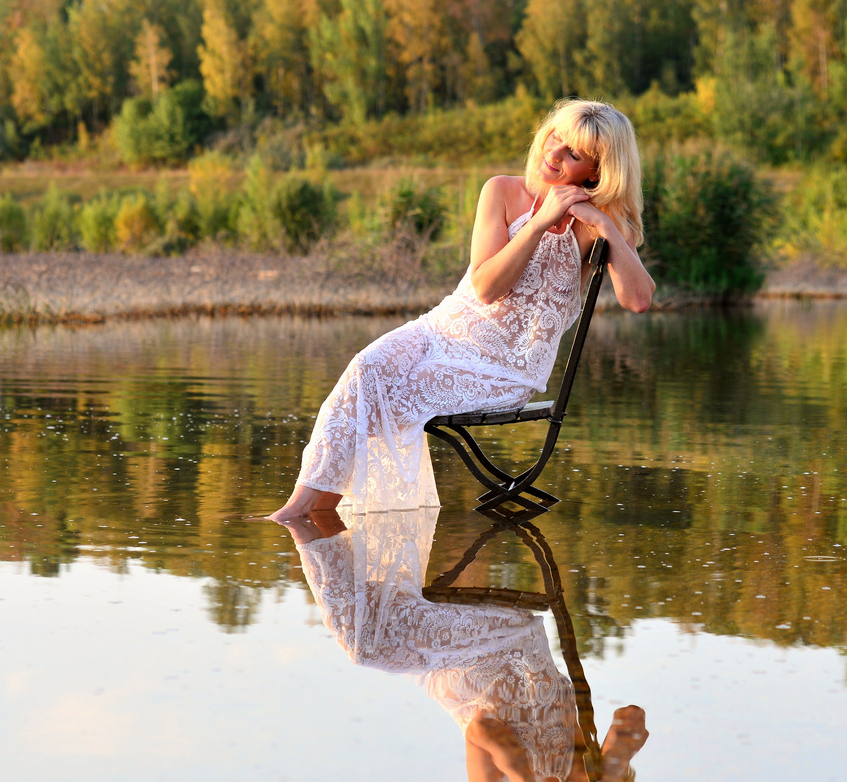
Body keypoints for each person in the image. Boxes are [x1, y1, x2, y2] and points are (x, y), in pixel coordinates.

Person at [269, 99, 654, 521]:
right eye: (556, 136)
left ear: (597, 172)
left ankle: (315, 521)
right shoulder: (503, 191)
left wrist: (604, 224)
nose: (554, 152)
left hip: (503, 365)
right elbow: (487, 287)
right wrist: (541, 219)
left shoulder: (600, 222)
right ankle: (301, 511)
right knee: (366, 369)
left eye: (573, 153)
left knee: (396, 397)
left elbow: (638, 300)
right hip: (441, 330)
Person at [285, 507, 649, 782]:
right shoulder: (586, 779)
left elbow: (483, 727)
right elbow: (632, 719)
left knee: (369, 628)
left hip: (445, 663)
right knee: (365, 641)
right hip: (507, 640)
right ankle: (309, 520)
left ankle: (317, 516)